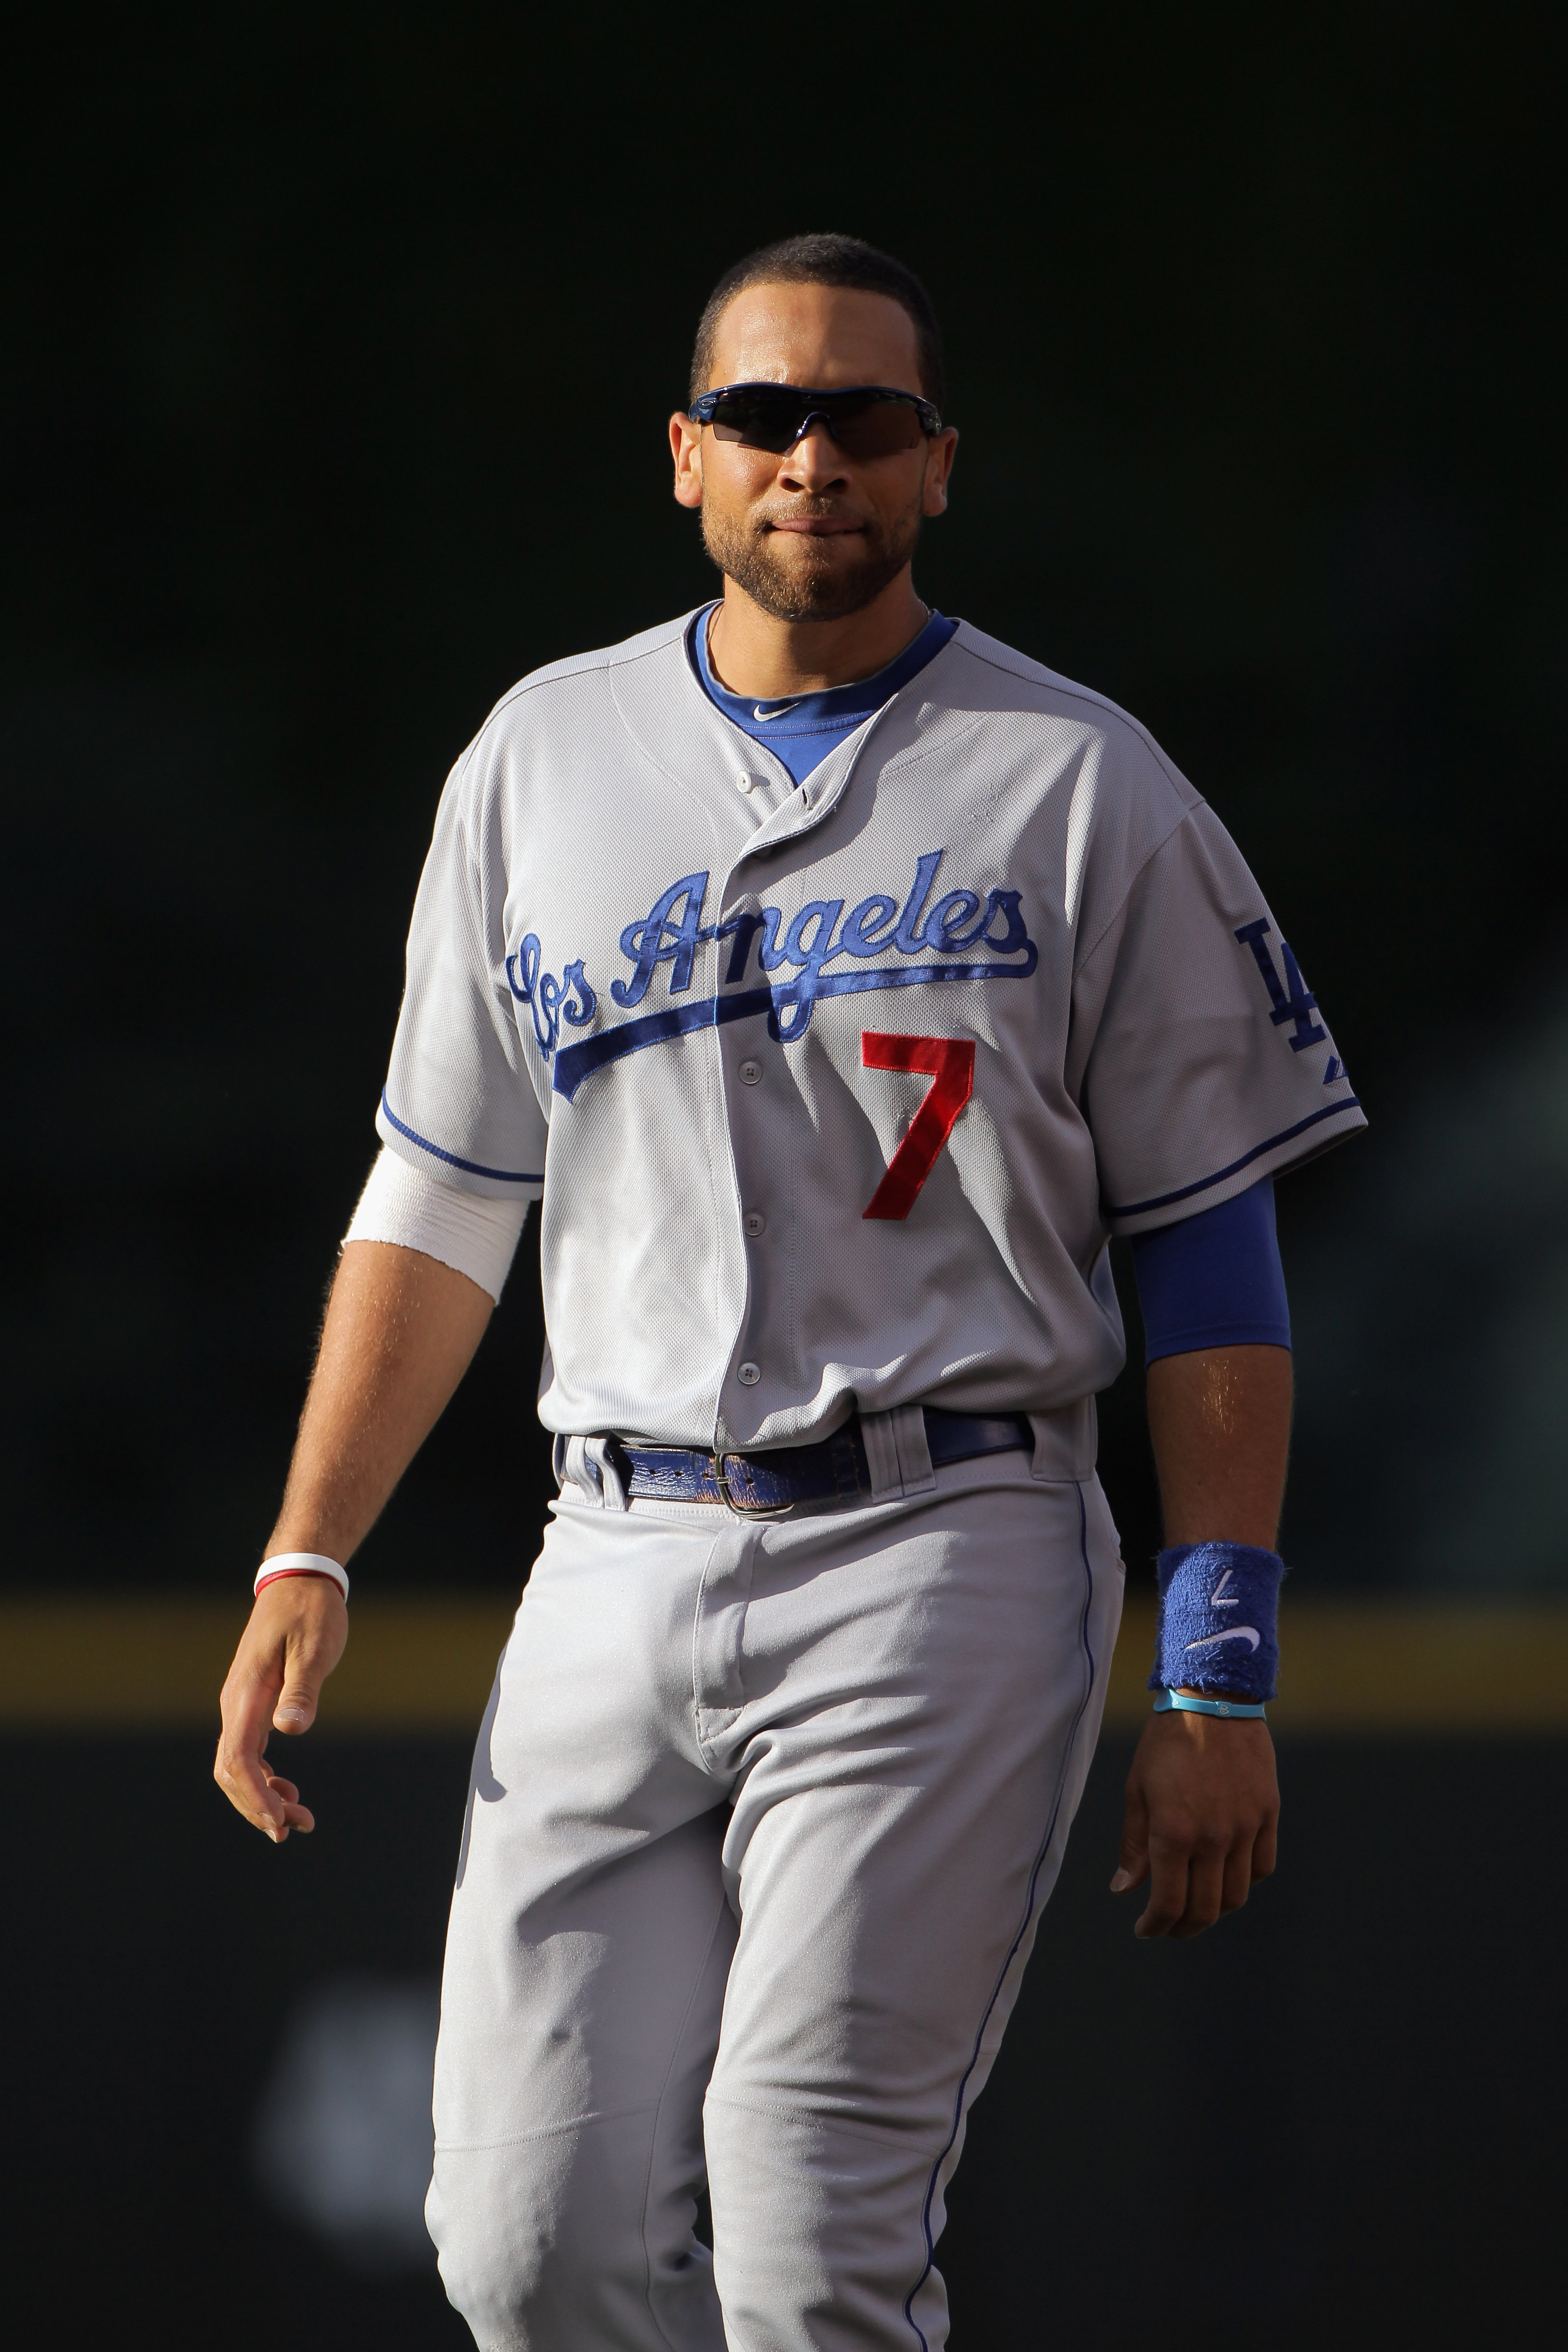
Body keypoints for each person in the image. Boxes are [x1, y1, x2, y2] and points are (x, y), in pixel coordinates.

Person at [215, 233, 1364, 2351]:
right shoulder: (539, 762)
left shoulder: (1079, 778)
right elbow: (442, 1198)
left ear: (942, 469)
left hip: (946, 1532)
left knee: (807, 2217)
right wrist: (311, 1544)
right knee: (523, 2242)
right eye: (762, 415)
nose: (812, 455)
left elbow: (1207, 1229)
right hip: (613, 1545)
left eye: (868, 419)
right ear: (682, 458)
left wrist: (1218, 1667)